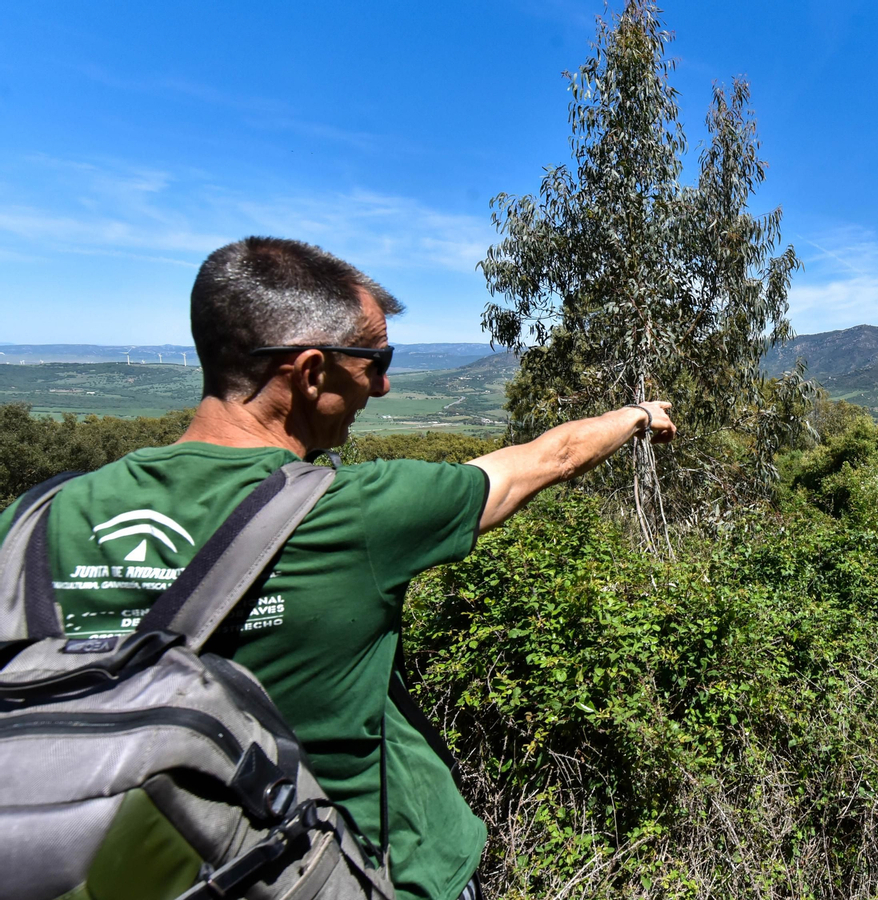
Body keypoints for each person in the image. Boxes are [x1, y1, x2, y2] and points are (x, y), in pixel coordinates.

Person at [0, 236, 676, 900]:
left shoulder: (31, 524)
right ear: (311, 371)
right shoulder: (353, 516)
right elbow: (543, 460)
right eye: (376, 360)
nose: (382, 386)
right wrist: (638, 415)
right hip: (366, 873)